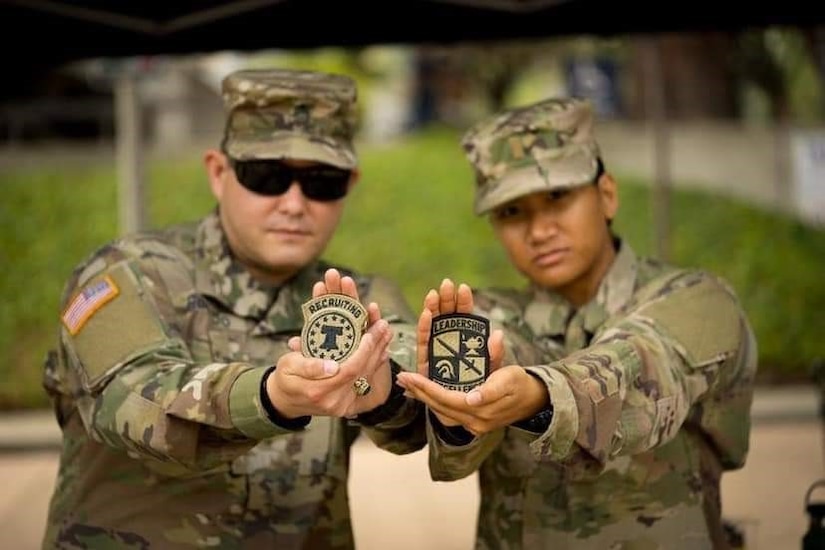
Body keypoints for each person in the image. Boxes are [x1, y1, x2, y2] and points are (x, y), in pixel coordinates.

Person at [41, 68, 424, 548]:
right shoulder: (127, 273)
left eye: (322, 182)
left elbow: (416, 387)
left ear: (350, 183)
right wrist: (270, 397)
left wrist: (384, 391)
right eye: (266, 175)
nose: (293, 203)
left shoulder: (357, 297)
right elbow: (130, 400)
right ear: (219, 173)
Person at [397, 97, 758, 549]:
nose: (539, 229)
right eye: (512, 211)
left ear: (606, 195)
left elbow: (642, 364)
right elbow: (428, 365)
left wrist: (538, 395)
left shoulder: (696, 301)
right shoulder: (490, 317)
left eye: (557, 197)